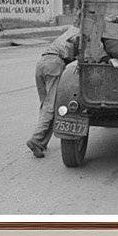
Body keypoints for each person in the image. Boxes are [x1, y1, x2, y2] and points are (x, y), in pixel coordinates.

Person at [26, 25, 80, 158]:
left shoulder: (71, 30)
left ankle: (41, 143)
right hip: (54, 63)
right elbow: (75, 45)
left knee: (46, 104)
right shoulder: (80, 34)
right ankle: (36, 139)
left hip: (42, 62)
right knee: (52, 106)